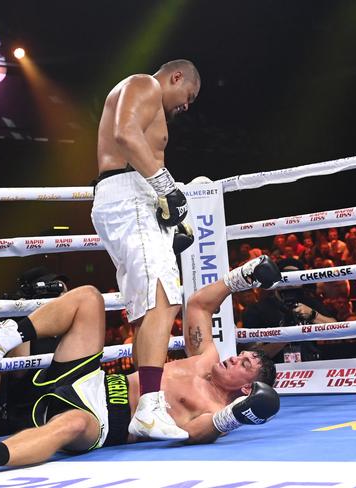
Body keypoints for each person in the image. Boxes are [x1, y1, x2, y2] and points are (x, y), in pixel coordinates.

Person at [0, 256, 281, 485]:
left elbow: (199, 434)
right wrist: (244, 276)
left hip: (103, 420)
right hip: (92, 378)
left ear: (248, 390)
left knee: (69, 424)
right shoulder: (206, 357)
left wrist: (238, 415)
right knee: (88, 297)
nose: (234, 358)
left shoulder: (214, 411)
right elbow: (200, 304)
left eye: (244, 364)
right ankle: (2, 338)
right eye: (241, 355)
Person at [90, 59, 201, 440]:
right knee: (163, 297)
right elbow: (125, 133)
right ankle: (151, 407)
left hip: (131, 198)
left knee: (143, 310)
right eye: (189, 95)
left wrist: (166, 206)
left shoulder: (149, 99)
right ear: (176, 77)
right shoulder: (143, 84)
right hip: (129, 194)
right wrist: (167, 187)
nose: (187, 106)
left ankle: (143, 405)